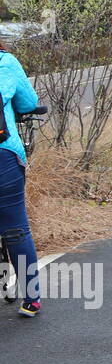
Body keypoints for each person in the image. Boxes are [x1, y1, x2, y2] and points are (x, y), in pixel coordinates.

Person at [0, 43, 41, 317]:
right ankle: (31, 299)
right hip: (3, 156)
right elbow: (28, 103)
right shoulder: (5, 62)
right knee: (16, 228)